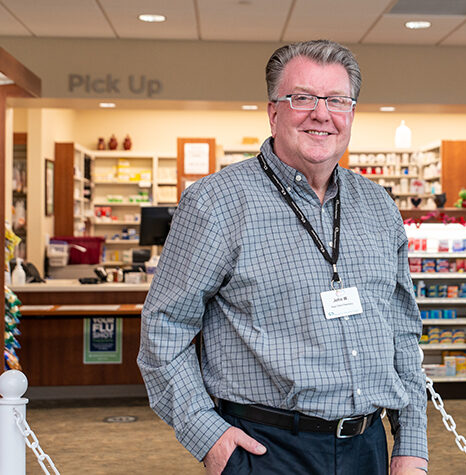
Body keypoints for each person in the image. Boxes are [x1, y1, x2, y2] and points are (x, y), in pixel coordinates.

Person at [138, 39, 428, 475]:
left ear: (351, 113)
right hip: (266, 450)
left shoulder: (378, 205)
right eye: (302, 98)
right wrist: (208, 436)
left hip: (369, 448)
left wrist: (412, 445)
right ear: (273, 111)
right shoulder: (216, 203)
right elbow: (164, 326)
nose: (321, 113)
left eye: (336, 100)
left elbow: (403, 331)